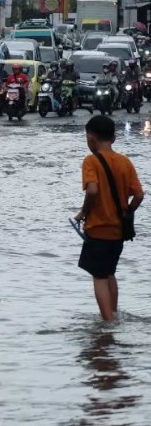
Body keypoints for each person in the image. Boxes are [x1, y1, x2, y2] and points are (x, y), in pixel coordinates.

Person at [74, 115, 144, 321]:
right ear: (113, 138)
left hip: (98, 228)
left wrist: (83, 212)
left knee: (99, 276)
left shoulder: (91, 161)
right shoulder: (124, 162)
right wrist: (127, 212)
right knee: (110, 272)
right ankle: (113, 313)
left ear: (90, 138)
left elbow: (93, 190)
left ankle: (107, 322)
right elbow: (139, 195)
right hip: (118, 230)